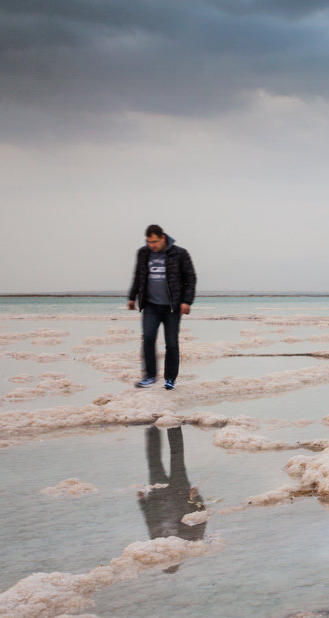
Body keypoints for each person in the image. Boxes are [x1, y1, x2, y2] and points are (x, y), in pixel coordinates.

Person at [127, 224, 196, 390]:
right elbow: (138, 276)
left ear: (163, 238)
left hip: (172, 307)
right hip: (151, 306)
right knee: (148, 339)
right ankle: (150, 376)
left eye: (155, 242)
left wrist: (187, 301)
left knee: (171, 343)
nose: (152, 245)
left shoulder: (179, 253)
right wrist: (131, 297)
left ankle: (170, 378)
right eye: (149, 242)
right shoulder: (143, 253)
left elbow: (191, 278)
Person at [138, 425, 207, 572]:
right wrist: (197, 498)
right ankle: (173, 427)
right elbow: (201, 519)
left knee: (155, 462)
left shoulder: (158, 544)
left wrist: (143, 502)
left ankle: (153, 428)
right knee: (176, 459)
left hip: (159, 498)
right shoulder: (192, 543)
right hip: (180, 494)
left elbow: (150, 521)